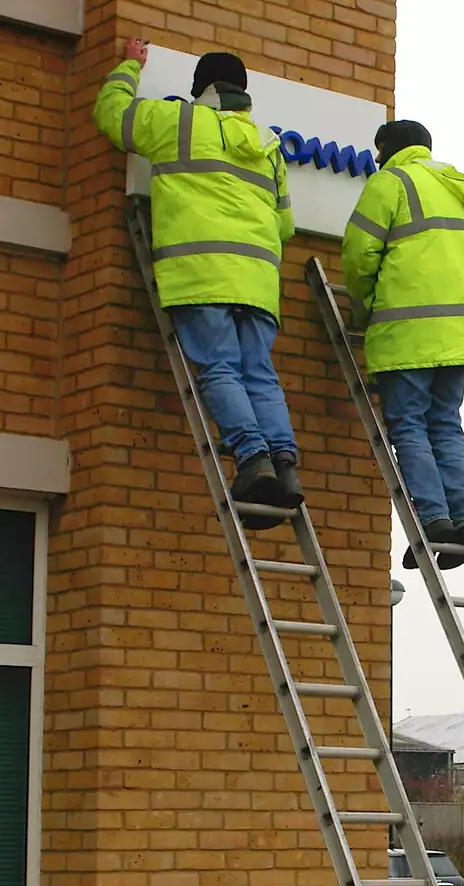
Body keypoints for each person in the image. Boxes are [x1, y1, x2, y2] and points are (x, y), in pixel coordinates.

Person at [94, 38, 302, 529]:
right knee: (259, 373)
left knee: (219, 370)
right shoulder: (269, 144)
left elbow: (111, 115)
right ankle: (285, 466)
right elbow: (286, 225)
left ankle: (253, 460)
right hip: (256, 282)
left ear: (202, 88)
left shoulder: (179, 123)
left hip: (199, 273)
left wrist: (128, 66)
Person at [342, 120, 464, 569]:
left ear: (387, 149)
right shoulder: (457, 188)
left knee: (408, 426)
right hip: (460, 333)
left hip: (408, 331)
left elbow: (358, 253)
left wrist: (366, 302)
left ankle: (434, 521)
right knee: (445, 425)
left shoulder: (390, 182)